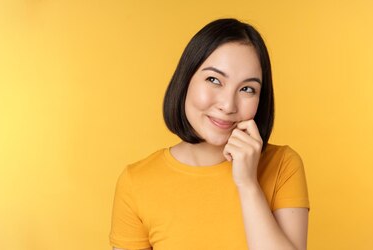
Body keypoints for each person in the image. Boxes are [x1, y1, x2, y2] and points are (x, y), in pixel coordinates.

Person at [110, 18, 310, 250]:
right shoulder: (136, 182)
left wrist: (247, 184)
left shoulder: (283, 165)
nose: (228, 105)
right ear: (185, 81)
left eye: (247, 89)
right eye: (214, 80)